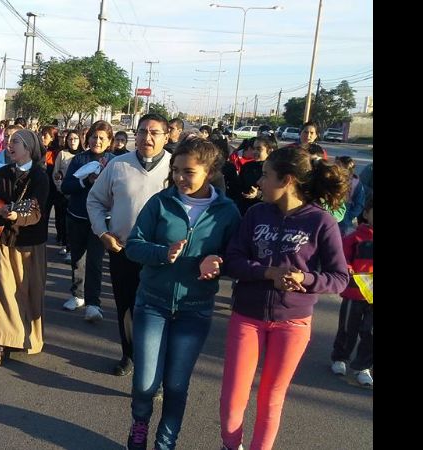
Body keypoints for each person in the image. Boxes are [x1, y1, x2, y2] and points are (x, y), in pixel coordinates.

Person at [219, 146, 350, 450]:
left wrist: (305, 279)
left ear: (287, 180)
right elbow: (234, 259)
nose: (260, 182)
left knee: (271, 398)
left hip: (293, 322)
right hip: (247, 316)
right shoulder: (255, 213)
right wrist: (268, 273)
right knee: (232, 397)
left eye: (266, 176)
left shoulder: (321, 222)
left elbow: (339, 278)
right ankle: (230, 444)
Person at [123, 137, 241, 450]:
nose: (179, 177)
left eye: (188, 171)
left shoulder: (227, 212)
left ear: (210, 171)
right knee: (146, 383)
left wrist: (219, 262)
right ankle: (139, 425)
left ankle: (166, 442)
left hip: (196, 309)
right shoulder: (160, 202)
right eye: (176, 170)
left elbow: (239, 258)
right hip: (152, 304)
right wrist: (162, 253)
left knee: (176, 386)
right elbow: (133, 246)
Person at [86, 114, 172, 377]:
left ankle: (157, 364)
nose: (147, 137)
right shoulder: (118, 165)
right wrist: (102, 233)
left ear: (166, 137)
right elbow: (95, 200)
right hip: (123, 250)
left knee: (159, 311)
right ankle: (129, 354)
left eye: (155, 132)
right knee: (126, 306)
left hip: (162, 256)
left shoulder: (174, 167)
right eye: (142, 131)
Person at [0, 129, 49, 367]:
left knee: (27, 293)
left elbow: (35, 211)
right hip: (0, 240)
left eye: (16, 142)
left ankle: (25, 336)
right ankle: (0, 344)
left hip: (29, 245)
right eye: (9, 141)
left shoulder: (40, 177)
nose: (9, 145)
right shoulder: (3, 172)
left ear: (29, 148)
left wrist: (16, 215)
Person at [60, 121, 116, 322]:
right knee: (77, 259)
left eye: (102, 138)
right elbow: (66, 187)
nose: (97, 141)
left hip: (101, 220)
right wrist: (86, 181)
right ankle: (78, 295)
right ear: (87, 138)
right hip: (77, 216)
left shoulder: (115, 162)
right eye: (94, 136)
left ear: (109, 141)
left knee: (95, 261)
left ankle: (93, 304)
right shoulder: (79, 159)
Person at [330, 193, 373, 386]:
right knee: (348, 328)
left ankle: (362, 366)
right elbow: (342, 258)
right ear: (366, 213)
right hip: (354, 293)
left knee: (370, 333)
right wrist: (348, 269)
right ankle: (340, 358)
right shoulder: (355, 237)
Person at [52, 129, 81, 260]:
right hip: (62, 193)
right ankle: (65, 243)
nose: (72, 141)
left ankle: (72, 248)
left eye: (75, 138)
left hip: (77, 194)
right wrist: (61, 189)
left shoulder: (84, 155)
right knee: (62, 220)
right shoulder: (62, 154)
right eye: (70, 139)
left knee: (74, 224)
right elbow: (55, 173)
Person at [333, 156, 365, 235]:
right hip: (331, 209)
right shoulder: (332, 178)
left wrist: (350, 216)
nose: (335, 167)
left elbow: (359, 204)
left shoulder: (356, 183)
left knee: (341, 236)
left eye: (338, 165)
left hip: (345, 216)